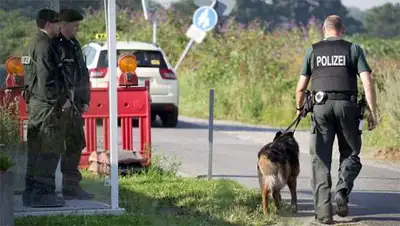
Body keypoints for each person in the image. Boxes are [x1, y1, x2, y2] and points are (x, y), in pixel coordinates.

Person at [295, 15, 378, 224]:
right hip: (348, 107)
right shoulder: (353, 49)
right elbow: (367, 81)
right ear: (343, 30)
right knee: (350, 152)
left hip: (321, 108)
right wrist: (372, 112)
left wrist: (299, 109)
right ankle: (342, 188)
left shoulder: (313, 50)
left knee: (320, 159)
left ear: (324, 29)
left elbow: (301, 87)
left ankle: (323, 213)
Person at [21, 9, 69, 207]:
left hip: (37, 106)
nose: (60, 27)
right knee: (49, 150)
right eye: (58, 24)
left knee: (36, 152)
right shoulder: (44, 46)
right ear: (49, 24)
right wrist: (61, 101)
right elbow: (46, 79)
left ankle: (31, 192)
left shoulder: (32, 44)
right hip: (47, 107)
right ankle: (42, 194)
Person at [54, 8, 93, 200]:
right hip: (61, 106)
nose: (77, 29)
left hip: (76, 104)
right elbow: (54, 79)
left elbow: (82, 75)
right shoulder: (56, 46)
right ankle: (51, 186)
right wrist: (62, 101)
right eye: (74, 25)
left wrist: (85, 99)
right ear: (63, 25)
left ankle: (71, 185)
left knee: (76, 143)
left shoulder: (74, 45)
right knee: (55, 146)